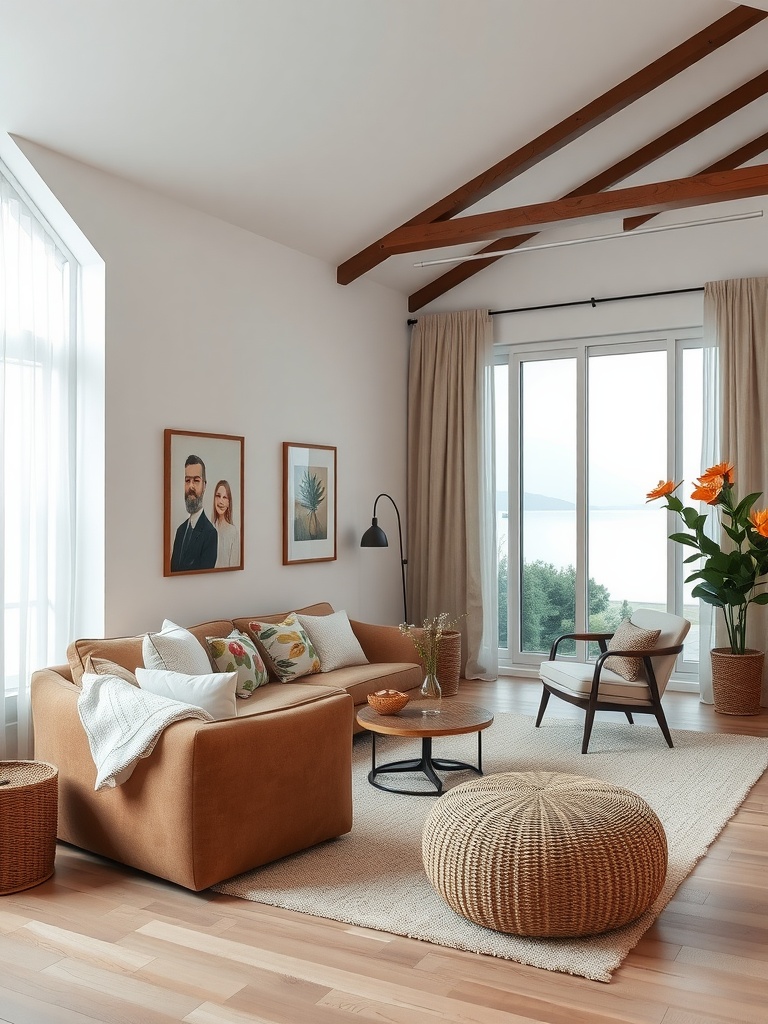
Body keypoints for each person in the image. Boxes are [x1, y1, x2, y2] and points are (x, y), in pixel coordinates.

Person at [170, 455, 218, 572]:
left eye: (196, 480)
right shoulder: (180, 531)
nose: (191, 486)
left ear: (204, 485)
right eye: (187, 480)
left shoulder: (210, 533)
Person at [212, 479, 240, 568]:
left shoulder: (233, 532)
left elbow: (234, 566)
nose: (221, 501)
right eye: (218, 496)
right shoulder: (209, 529)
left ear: (228, 503)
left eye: (225, 497)